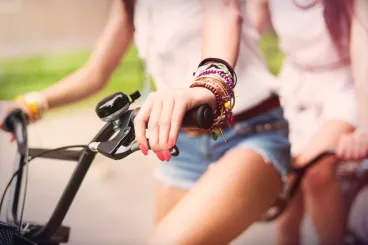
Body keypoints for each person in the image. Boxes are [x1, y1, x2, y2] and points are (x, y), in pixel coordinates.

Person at [0, 0, 292, 244]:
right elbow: (96, 71)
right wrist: (30, 104)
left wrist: (208, 86)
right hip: (182, 147)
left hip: (250, 132)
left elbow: (223, 13)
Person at [252, 0, 368, 244]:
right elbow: (257, 25)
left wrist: (365, 127)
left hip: (346, 85)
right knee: (286, 183)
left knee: (315, 171)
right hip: (296, 83)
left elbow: (363, 52)